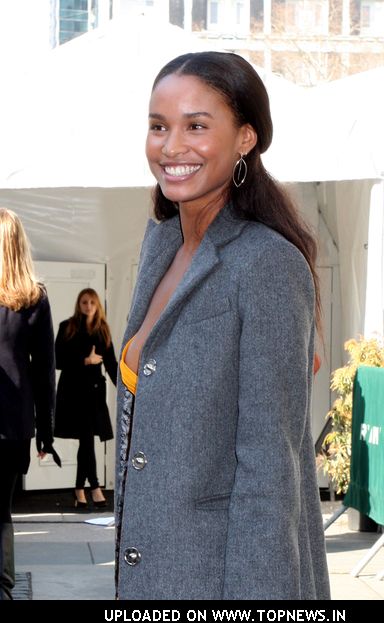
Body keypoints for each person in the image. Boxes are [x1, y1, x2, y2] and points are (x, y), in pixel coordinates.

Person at [115, 51, 330, 600]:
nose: (171, 147)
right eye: (158, 126)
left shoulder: (267, 264)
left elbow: (271, 474)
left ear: (245, 139)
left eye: (197, 126)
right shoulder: (161, 244)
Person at [0, 207, 60, 600]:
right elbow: (44, 373)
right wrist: (45, 433)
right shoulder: (33, 298)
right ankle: (3, 588)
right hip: (13, 425)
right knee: (1, 511)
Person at [54, 288, 117, 508]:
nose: (88, 306)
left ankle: (81, 488)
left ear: (97, 304)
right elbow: (57, 361)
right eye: (84, 302)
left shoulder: (102, 330)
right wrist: (85, 361)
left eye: (92, 302)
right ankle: (94, 487)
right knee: (87, 439)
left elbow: (111, 364)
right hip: (73, 393)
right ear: (78, 304)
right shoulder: (67, 326)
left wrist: (130, 389)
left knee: (87, 440)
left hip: (94, 394)